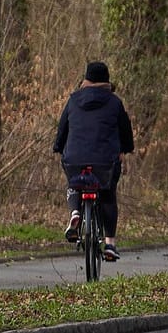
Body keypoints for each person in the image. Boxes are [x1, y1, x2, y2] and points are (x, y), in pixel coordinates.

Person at [55, 61, 134, 261]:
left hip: (75, 159)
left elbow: (62, 129)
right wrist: (126, 149)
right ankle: (109, 243)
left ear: (86, 79)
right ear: (107, 81)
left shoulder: (73, 100)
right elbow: (125, 131)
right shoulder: (115, 102)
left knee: (74, 184)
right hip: (105, 162)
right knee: (107, 194)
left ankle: (75, 213)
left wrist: (58, 147)